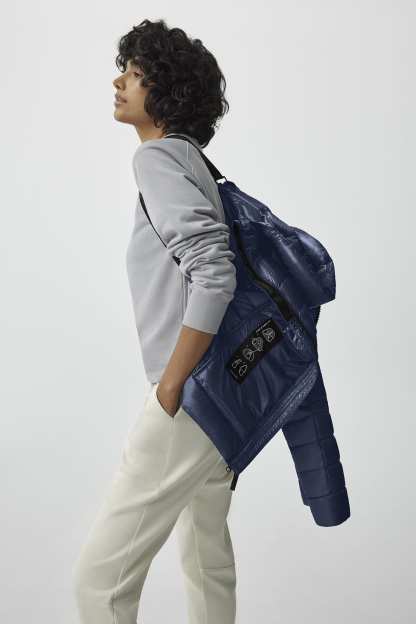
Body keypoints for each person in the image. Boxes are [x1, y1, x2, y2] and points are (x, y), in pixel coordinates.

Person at [72, 18, 238, 624]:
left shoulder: (159, 159)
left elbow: (213, 271)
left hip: (188, 396)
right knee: (206, 560)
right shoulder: (193, 161)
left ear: (165, 92)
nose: (119, 82)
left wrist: (171, 385)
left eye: (135, 74)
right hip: (223, 391)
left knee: (100, 584)